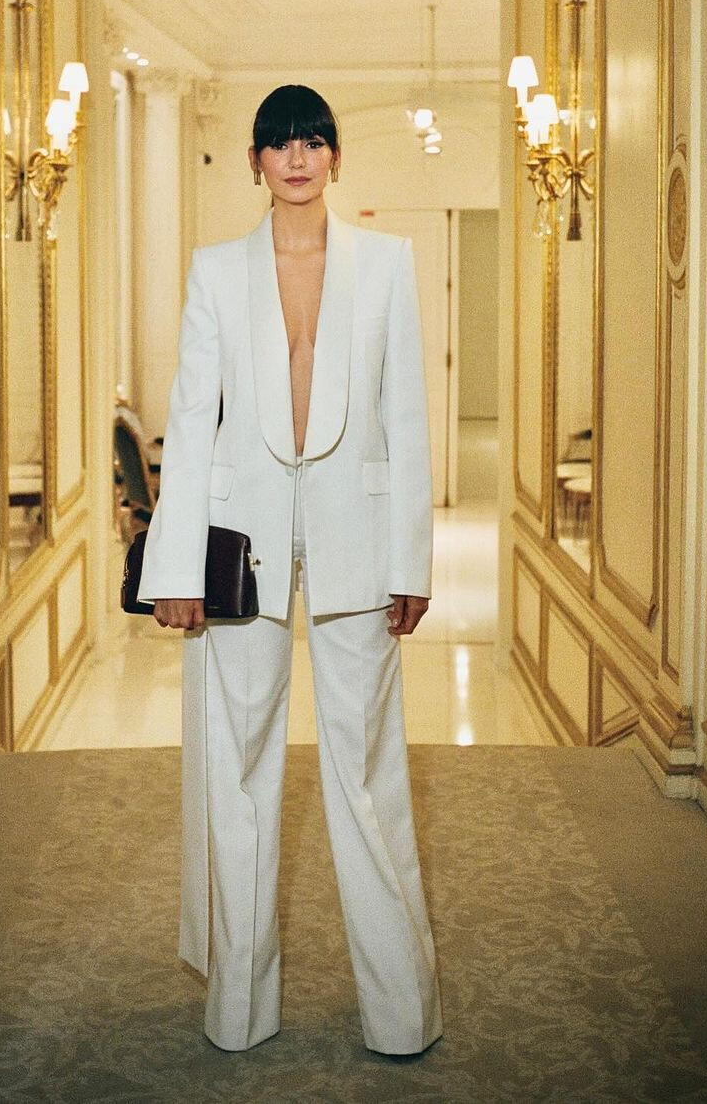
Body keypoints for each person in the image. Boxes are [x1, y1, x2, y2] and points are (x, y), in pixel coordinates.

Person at [135, 84, 443, 1056]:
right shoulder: (217, 270)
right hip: (240, 539)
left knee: (365, 769)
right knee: (236, 767)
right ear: (257, 162)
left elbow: (405, 417)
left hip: (359, 539)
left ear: (336, 157)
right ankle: (240, 1003)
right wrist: (174, 564)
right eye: (280, 143)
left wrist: (412, 557)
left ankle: (401, 1010)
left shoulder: (387, 263)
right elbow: (192, 420)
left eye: (314, 141)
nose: (298, 158)